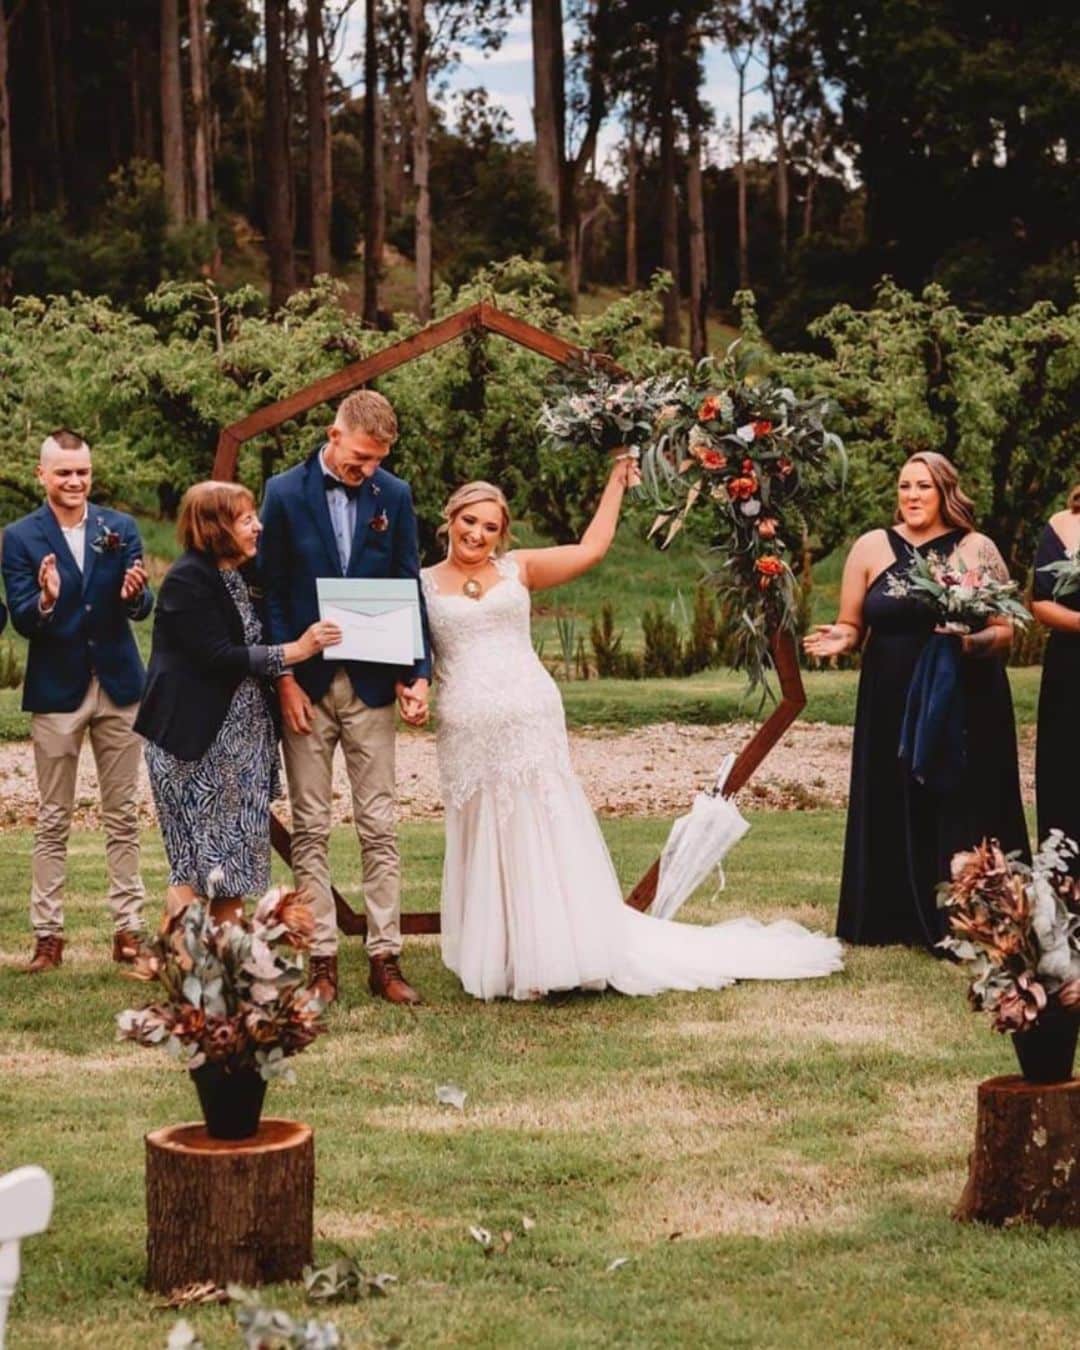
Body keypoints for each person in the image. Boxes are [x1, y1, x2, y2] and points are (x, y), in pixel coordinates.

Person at [420, 467, 843, 1001]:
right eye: (469, 521)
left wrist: (616, 481)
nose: (477, 534)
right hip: (466, 727)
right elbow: (409, 658)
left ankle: (551, 955)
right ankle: (501, 954)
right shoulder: (422, 584)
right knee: (485, 833)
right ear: (449, 519)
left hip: (529, 718)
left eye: (489, 526)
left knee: (538, 828)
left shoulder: (518, 569)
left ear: (502, 534)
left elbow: (594, 548)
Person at [803, 452, 1029, 948]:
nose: (912, 496)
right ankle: (891, 918)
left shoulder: (977, 548)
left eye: (923, 486)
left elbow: (1006, 632)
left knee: (960, 801)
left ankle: (972, 918)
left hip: (965, 698)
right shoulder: (870, 547)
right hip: (889, 700)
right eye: (904, 486)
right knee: (893, 795)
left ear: (944, 490)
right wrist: (842, 638)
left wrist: (966, 644)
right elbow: (852, 622)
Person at [259, 390, 431, 1006]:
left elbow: (408, 582)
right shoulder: (281, 492)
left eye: (377, 462)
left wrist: (418, 672)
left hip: (373, 682)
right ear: (334, 435)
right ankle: (322, 960)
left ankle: (385, 957)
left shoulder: (396, 495)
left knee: (379, 823)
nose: (367, 472)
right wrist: (282, 677)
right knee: (310, 827)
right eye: (359, 459)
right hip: (305, 685)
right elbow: (270, 593)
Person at [135, 482, 341, 915]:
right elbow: (215, 656)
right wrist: (296, 651)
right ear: (215, 527)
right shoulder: (187, 578)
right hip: (196, 742)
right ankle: (205, 966)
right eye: (246, 519)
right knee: (201, 868)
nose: (258, 526)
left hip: (242, 741)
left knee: (232, 864)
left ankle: (205, 963)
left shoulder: (242, 573)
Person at [1, 429, 153, 973]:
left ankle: (129, 930)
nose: (74, 481)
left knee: (122, 815)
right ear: (42, 474)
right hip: (58, 690)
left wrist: (137, 595)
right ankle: (47, 935)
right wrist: (43, 599)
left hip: (118, 685)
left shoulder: (120, 528)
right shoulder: (19, 538)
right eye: (63, 472)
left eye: (82, 472)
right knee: (51, 817)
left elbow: (142, 606)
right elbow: (20, 618)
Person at [1031, 485, 1080, 870]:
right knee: (1067, 769)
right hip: (1071, 667)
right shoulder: (1062, 525)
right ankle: (1067, 886)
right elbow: (1041, 601)